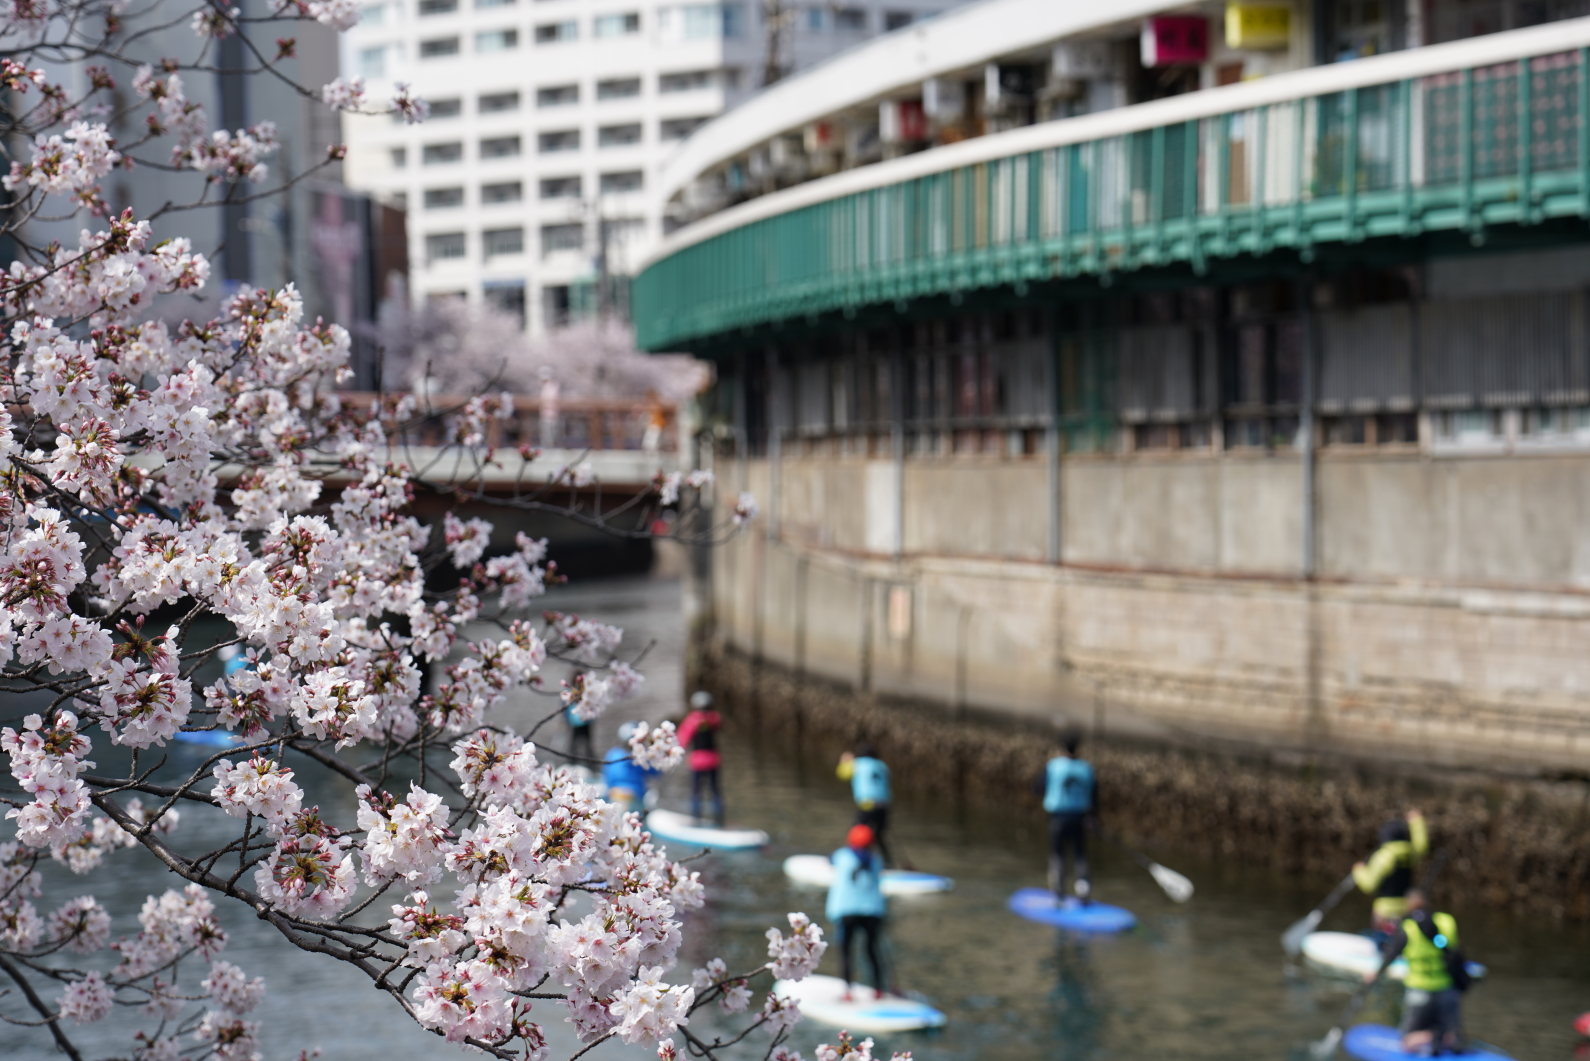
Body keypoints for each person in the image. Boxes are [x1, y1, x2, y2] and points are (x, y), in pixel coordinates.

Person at [1367, 888, 1469, 1056]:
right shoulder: (1447, 921)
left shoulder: (1408, 927)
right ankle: (1449, 1036)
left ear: (1410, 905)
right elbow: (1456, 952)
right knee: (1453, 1032)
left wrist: (1375, 974)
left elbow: (1391, 954)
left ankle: (1435, 1036)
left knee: (1406, 1043)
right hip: (1447, 989)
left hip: (1419, 991)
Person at [826, 823, 888, 1003]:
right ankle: (878, 989)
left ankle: (847, 991)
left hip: (847, 911)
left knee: (846, 951)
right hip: (872, 911)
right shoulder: (876, 860)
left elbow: (829, 860)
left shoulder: (842, 855)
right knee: (872, 950)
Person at [1037, 732, 1096, 901]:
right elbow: (1095, 795)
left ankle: (1058, 890)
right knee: (1080, 854)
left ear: (1062, 748)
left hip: (1058, 817)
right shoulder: (1087, 768)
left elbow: (1038, 787)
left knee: (1058, 853)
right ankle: (1083, 889)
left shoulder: (1053, 766)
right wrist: (1094, 817)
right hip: (1080, 818)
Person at [1354, 809, 1428, 935]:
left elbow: (1369, 885)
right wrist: (1417, 822)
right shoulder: (1411, 853)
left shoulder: (1384, 856)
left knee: (1381, 940)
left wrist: (1359, 871)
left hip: (1384, 911)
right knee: (1401, 939)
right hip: (1406, 908)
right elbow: (1422, 845)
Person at [837, 742, 895, 866]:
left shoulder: (857, 764)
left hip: (867, 804)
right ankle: (888, 862)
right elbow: (889, 777)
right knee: (879, 835)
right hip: (884, 805)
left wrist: (845, 761)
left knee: (855, 832)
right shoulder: (882, 765)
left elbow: (842, 774)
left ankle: (849, 860)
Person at [676, 691, 723, 824]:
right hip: (713, 760)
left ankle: (695, 820)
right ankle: (719, 821)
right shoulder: (715, 718)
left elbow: (682, 740)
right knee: (715, 791)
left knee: (696, 792)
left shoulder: (692, 720)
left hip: (697, 761)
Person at [602, 721, 658, 812]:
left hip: (614, 795)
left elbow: (606, 777)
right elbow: (655, 772)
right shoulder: (640, 756)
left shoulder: (612, 754)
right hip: (633, 796)